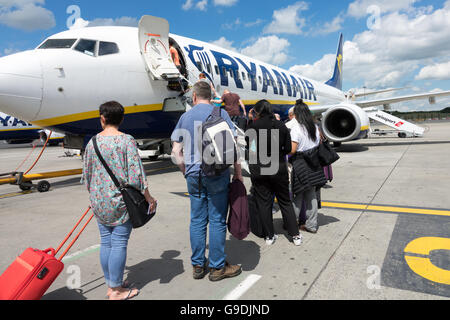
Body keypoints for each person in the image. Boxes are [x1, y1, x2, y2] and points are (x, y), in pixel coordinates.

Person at [82, 101, 157, 300]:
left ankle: (112, 283)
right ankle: (115, 290)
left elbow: (87, 174)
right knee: (119, 242)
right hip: (119, 201)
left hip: (99, 200)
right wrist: (148, 197)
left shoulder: (93, 142)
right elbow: (136, 176)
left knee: (106, 242)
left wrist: (95, 195)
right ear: (122, 119)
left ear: (102, 118)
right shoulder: (126, 141)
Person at [171, 81, 243, 282]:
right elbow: (233, 146)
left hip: (194, 176)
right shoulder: (221, 114)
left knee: (197, 220)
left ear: (194, 97)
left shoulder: (185, 117)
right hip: (217, 174)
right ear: (210, 97)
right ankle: (217, 267)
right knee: (217, 220)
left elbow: (176, 151)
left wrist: (185, 171)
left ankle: (197, 265)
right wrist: (238, 173)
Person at [246, 100, 303, 246]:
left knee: (264, 203)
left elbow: (250, 149)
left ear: (257, 112)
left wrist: (251, 119)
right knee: (285, 201)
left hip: (259, 169)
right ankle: (295, 235)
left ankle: (269, 236)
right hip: (278, 167)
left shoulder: (253, 126)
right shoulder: (280, 125)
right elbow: (288, 148)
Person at [289, 100, 327, 234]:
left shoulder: (296, 128)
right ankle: (311, 225)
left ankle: (292, 225)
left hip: (300, 164)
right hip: (314, 164)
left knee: (297, 196)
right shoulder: (315, 127)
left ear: (297, 114)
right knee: (311, 196)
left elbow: (292, 150)